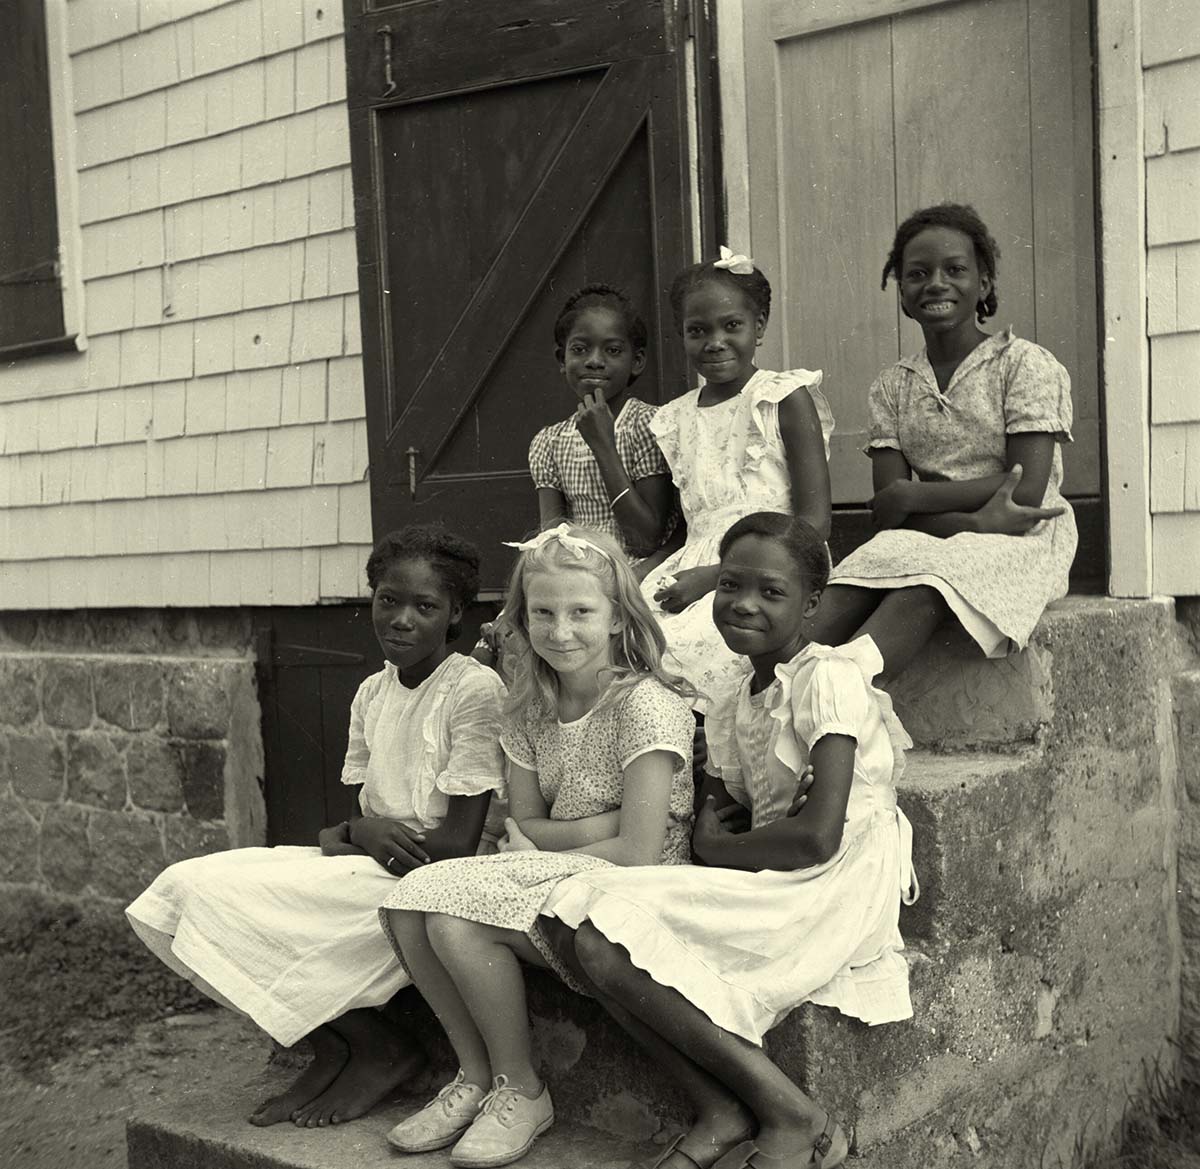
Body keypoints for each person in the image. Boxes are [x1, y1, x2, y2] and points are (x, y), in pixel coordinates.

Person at [546, 512, 918, 1169]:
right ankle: (717, 1106)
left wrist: (725, 844)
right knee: (587, 930)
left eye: (771, 592)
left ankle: (789, 1112)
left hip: (834, 882)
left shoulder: (826, 677)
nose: (744, 603)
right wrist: (726, 837)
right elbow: (713, 818)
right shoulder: (730, 702)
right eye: (730, 585)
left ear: (810, 605)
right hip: (768, 868)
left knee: (607, 932)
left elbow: (814, 836)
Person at [125, 526, 507, 1128]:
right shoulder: (372, 692)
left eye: (426, 606)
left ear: (456, 613)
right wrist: (357, 834)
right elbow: (356, 823)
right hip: (376, 860)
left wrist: (357, 835)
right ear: (372, 599)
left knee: (232, 904)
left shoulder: (472, 690)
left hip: (435, 880)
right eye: (389, 600)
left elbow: (458, 842)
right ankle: (333, 1046)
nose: (402, 620)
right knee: (183, 886)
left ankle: (384, 1051)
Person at [380, 524, 696, 1168]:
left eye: (582, 612)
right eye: (543, 613)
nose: (560, 631)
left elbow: (638, 851)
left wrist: (562, 839)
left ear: (616, 617)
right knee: (412, 901)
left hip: (638, 890)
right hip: (562, 874)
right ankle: (478, 1078)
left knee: (452, 916)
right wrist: (591, 825)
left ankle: (521, 1088)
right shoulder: (529, 708)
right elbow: (525, 821)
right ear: (522, 618)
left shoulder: (644, 707)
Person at [805, 203, 1074, 684]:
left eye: (955, 270)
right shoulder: (894, 385)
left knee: (924, 582)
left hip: (1020, 534)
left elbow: (1026, 490)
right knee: (855, 578)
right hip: (942, 529)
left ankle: (841, 694)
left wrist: (915, 495)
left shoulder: (1023, 365)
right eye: (918, 273)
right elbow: (888, 511)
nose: (936, 283)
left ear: (984, 284)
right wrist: (969, 518)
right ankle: (777, 688)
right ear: (903, 292)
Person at [641, 248, 833, 714]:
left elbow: (814, 521)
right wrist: (641, 573)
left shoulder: (781, 398)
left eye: (732, 326)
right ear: (681, 335)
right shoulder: (674, 418)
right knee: (625, 634)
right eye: (698, 330)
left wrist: (715, 577)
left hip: (773, 563)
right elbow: (691, 527)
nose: (715, 342)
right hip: (695, 563)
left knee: (698, 651)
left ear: (759, 327)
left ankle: (710, 753)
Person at [528, 284, 675, 564]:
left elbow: (643, 542)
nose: (594, 361)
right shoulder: (549, 442)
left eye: (613, 350)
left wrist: (602, 444)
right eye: (580, 349)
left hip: (638, 571)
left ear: (637, 361)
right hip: (581, 573)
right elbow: (552, 539)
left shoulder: (650, 426)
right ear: (562, 359)